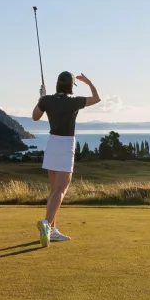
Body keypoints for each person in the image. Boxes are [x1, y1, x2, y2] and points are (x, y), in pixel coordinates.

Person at [32, 72, 101, 247]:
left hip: (51, 145)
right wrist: (88, 82)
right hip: (66, 145)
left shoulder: (46, 100)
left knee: (54, 191)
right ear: (71, 85)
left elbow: (35, 116)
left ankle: (52, 230)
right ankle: (47, 224)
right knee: (60, 190)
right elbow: (96, 98)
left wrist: (42, 99)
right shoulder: (73, 101)